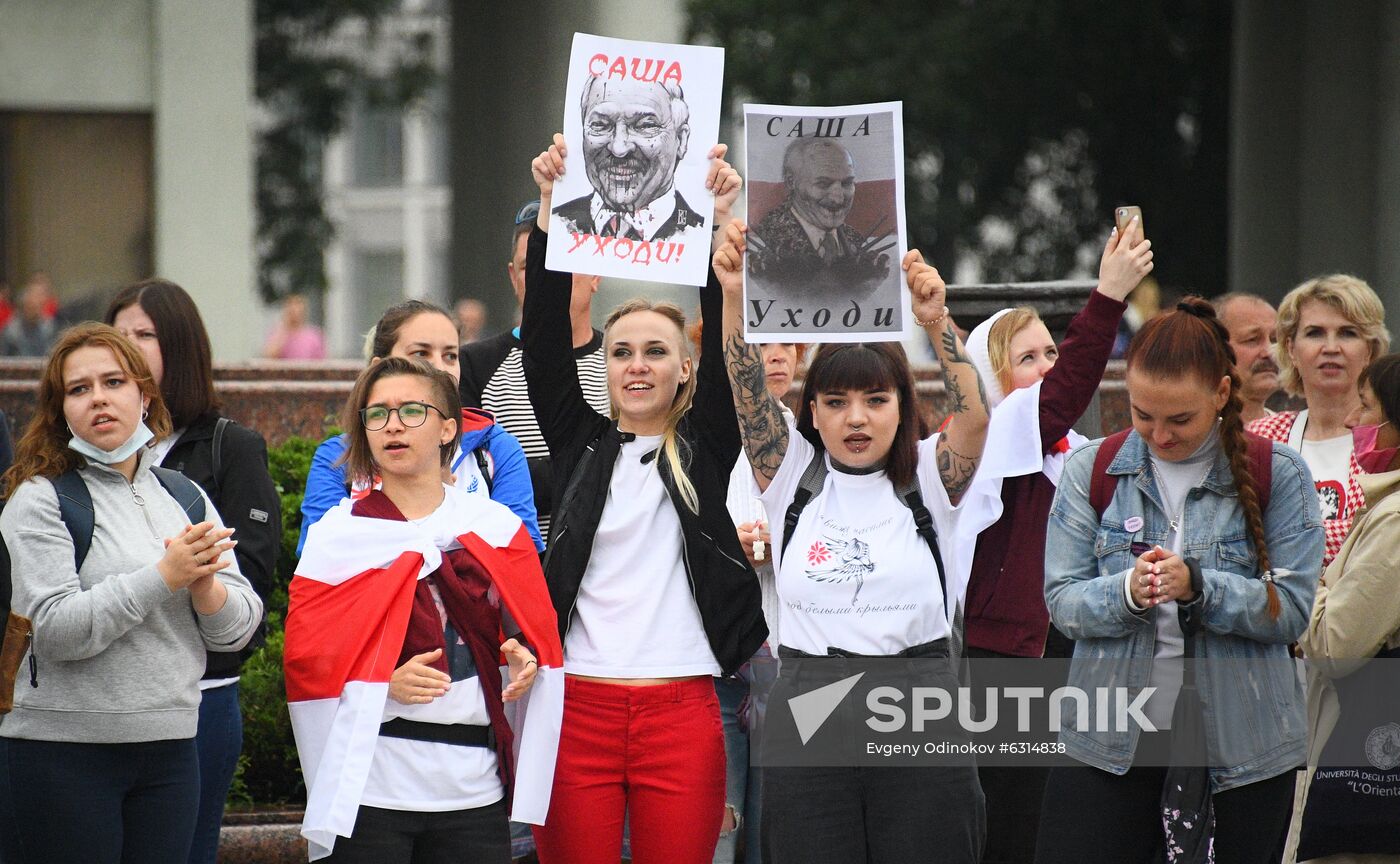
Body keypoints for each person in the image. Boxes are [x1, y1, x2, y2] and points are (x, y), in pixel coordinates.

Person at [715, 213, 1004, 862]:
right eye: (837, 401)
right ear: (811, 411)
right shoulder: (787, 475)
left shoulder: (930, 477)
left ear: (902, 405)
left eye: (875, 400)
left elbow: (975, 415)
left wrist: (935, 322)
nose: (855, 418)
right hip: (811, 704)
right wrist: (733, 292)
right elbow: (744, 386)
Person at [525, 135, 766, 864]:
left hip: (683, 711)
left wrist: (717, 220)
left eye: (656, 351)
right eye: (622, 351)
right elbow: (541, 344)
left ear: (685, 363)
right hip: (576, 712)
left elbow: (731, 367)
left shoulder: (706, 446)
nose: (637, 365)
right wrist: (546, 214)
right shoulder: (579, 442)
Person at [1035, 298, 1325, 864]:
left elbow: (1291, 610)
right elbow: (1061, 599)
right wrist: (1124, 593)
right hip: (1106, 739)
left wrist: (1201, 586)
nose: (1158, 435)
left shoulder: (1279, 473)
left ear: (1222, 394)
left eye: (1180, 419)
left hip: (1244, 746)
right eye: (1142, 415)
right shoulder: (1091, 467)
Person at [0, 323, 263, 863]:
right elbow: (54, 631)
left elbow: (239, 627)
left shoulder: (184, 495)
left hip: (170, 750)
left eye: (114, 381)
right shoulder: (40, 499)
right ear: (61, 411)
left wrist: (206, 585)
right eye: (78, 389)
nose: (98, 397)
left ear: (144, 395)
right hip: (63, 752)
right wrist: (164, 576)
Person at [286, 357, 561, 863]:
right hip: (370, 789)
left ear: (448, 428)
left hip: (474, 790)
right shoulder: (337, 539)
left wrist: (521, 657)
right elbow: (309, 666)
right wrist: (382, 686)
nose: (393, 425)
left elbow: (525, 632)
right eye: (377, 414)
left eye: (412, 410)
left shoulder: (496, 528)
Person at [959, 216, 1153, 864]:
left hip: (1064, 655)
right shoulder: (1000, 433)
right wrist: (1109, 298)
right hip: (999, 661)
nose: (1048, 368)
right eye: (1028, 358)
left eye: (1051, 353)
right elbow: (1064, 394)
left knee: (1045, 825)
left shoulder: (1074, 453)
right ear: (990, 377)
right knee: (1003, 828)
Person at [105, 278, 282, 864]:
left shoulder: (230, 448)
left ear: (179, 347)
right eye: (118, 334)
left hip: (200, 698)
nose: (125, 347)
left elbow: (250, 591)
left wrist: (190, 580)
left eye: (144, 335)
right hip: (96, 698)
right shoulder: (74, 462)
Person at [298, 299, 541, 556]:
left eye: (450, 355)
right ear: (379, 367)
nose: (439, 367)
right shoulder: (338, 456)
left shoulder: (496, 447)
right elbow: (322, 560)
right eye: (421, 354)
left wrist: (448, 505)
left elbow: (519, 556)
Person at [1282, 353, 1400, 864]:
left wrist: (1295, 570)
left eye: (1368, 407)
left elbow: (1335, 645)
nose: (1354, 421)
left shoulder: (1396, 520)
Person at [460, 202, 609, 542]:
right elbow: (470, 475)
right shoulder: (475, 364)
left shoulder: (625, 361)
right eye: (534, 266)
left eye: (562, 263)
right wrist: (590, 471)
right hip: (513, 559)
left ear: (596, 274)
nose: (549, 279)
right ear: (514, 277)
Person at [715, 339, 805, 864]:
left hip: (787, 653)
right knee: (720, 826)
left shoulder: (810, 437)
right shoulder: (706, 437)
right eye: (759, 344)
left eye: (784, 345)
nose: (773, 356)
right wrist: (733, 549)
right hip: (719, 657)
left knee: (774, 826)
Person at [1248, 275, 1389, 567]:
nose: (1331, 347)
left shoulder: (1389, 438)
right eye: (1314, 333)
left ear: (1370, 351)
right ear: (1290, 349)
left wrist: (1283, 541)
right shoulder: (1262, 437)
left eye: (1347, 333)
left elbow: (1378, 545)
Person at [551, 75, 704, 242]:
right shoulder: (553, 227)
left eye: (645, 125)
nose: (619, 148)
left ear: (681, 140)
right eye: (601, 125)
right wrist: (546, 199)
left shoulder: (705, 241)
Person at [1215, 292, 1280, 424]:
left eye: (1274, 340)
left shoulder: (1293, 435)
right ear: (1216, 348)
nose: (1269, 352)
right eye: (1252, 340)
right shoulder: (1194, 438)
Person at [1, 276, 58, 357]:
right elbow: (4, 360)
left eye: (39, 304)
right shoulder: (11, 330)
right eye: (31, 305)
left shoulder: (49, 326)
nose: (35, 308)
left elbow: (53, 355)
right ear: (24, 304)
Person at [263, 293, 326, 360]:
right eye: (290, 304)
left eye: (298, 304)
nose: (294, 309)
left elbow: (320, 363)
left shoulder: (314, 335)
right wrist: (283, 328)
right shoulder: (278, 333)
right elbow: (268, 356)